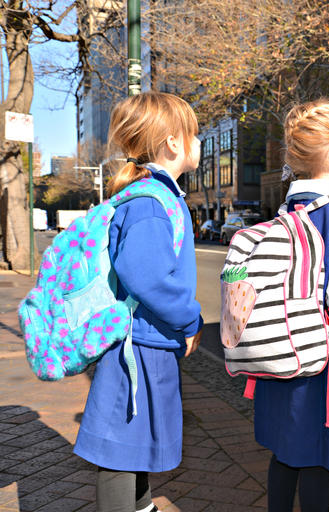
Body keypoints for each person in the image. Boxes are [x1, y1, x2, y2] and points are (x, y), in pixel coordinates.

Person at [73, 91, 204, 512]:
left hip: (142, 342)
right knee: (119, 451)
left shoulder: (154, 196)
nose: (199, 142)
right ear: (172, 143)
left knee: (136, 440)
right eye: (195, 134)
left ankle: (141, 508)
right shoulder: (151, 201)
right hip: (137, 345)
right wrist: (191, 320)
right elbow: (147, 276)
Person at [252, 98, 329, 512]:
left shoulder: (287, 209)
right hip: (321, 361)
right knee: (320, 458)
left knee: (285, 455)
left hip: (280, 350)